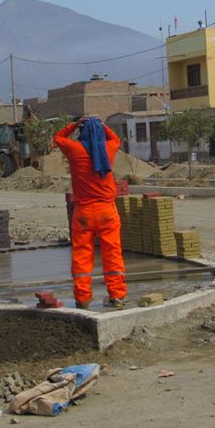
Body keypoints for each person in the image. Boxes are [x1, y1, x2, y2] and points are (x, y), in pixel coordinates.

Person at [53, 115, 127, 310]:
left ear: (82, 132)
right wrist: (103, 126)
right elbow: (116, 140)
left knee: (82, 256)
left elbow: (58, 138)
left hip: (84, 212)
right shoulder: (108, 150)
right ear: (101, 133)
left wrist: (74, 125)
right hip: (107, 211)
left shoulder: (75, 150)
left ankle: (83, 299)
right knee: (112, 254)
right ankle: (116, 295)